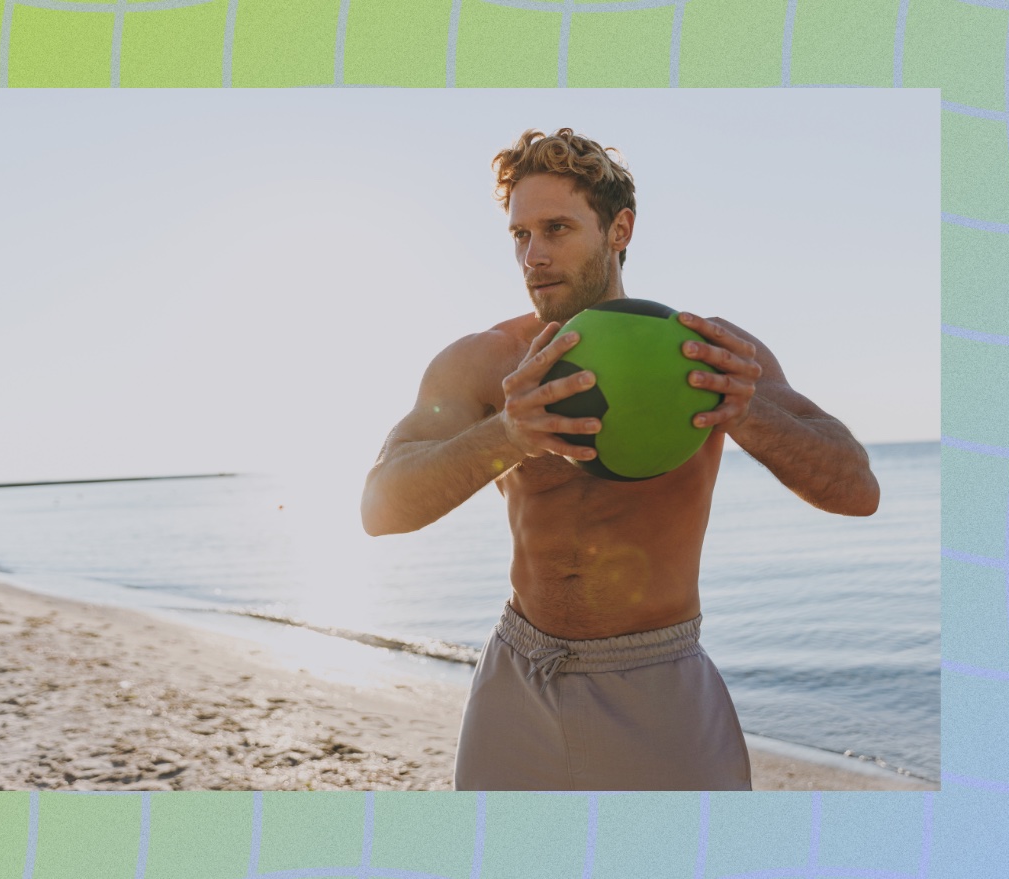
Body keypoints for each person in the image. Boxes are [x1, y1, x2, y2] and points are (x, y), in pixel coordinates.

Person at [360, 128, 879, 791]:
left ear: (619, 229)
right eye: (520, 235)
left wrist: (746, 411)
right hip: (519, 674)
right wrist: (508, 436)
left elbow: (857, 487)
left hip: (656, 680)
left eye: (556, 228)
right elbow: (378, 506)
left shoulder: (708, 353)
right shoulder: (487, 361)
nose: (535, 255)